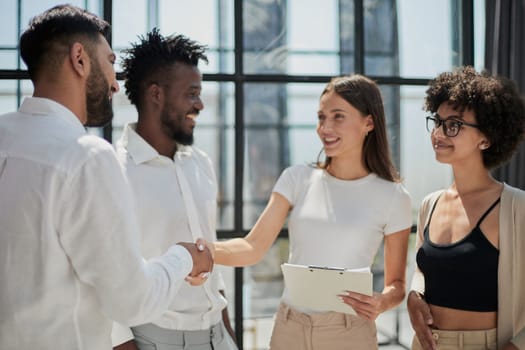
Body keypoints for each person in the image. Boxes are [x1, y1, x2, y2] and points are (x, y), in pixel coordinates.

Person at [0, 5, 213, 349]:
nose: (116, 84)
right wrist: (184, 256)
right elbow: (133, 300)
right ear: (80, 59)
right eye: (110, 62)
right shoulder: (87, 155)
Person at [211, 74, 412, 349]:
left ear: (369, 122)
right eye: (321, 117)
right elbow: (252, 246)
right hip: (289, 328)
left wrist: (382, 301)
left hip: (349, 332)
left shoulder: (393, 196)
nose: (324, 128)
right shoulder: (297, 178)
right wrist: (201, 253)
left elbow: (397, 284)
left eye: (338, 116)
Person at [111, 29, 237, 350]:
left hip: (217, 335)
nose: (200, 104)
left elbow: (210, 254)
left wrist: (228, 334)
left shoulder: (201, 163)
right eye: (192, 93)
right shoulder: (113, 170)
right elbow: (104, 276)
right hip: (155, 339)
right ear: (156, 94)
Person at [407, 66, 525, 350]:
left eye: (454, 124)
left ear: (486, 138)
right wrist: (414, 295)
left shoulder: (516, 208)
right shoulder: (430, 204)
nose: (439, 133)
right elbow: (424, 270)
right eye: (438, 121)